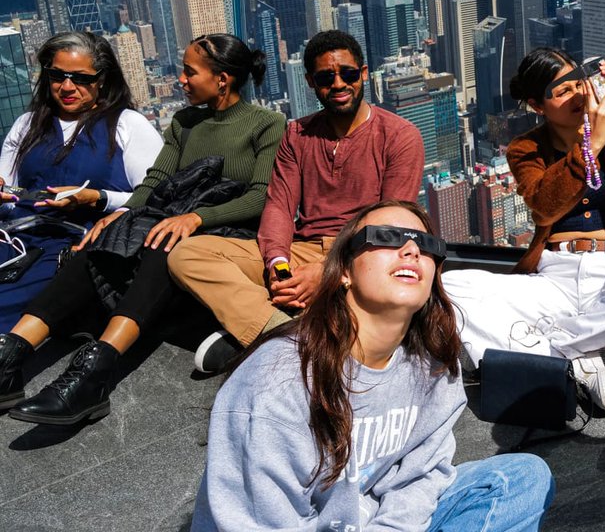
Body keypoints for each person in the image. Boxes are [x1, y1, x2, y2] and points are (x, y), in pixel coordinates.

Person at [190, 199, 555, 532]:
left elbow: (422, 474)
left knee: (523, 478)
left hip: (371, 517)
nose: (411, 250)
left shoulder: (433, 364)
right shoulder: (278, 384)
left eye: (426, 245)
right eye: (387, 237)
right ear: (344, 270)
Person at [0, 33, 284, 425]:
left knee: (164, 245)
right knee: (100, 239)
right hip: (177, 222)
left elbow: (261, 196)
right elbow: (154, 182)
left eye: (189, 72)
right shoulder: (185, 122)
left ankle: (95, 373)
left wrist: (197, 219)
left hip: (229, 233)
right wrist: (119, 213)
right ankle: (12, 355)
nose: (181, 80)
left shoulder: (267, 124)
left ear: (222, 79)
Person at [169, 30, 425, 373]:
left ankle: (263, 324)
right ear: (310, 82)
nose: (338, 84)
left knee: (376, 289)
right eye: (325, 77)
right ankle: (285, 333)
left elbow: (389, 224)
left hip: (364, 254)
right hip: (302, 250)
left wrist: (327, 271)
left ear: (364, 74)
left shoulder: (400, 137)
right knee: (187, 255)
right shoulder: (297, 134)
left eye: (348, 74)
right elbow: (278, 205)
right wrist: (279, 264)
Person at [441, 47, 605, 411]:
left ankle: (556, 352)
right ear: (538, 106)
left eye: (577, 83)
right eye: (561, 91)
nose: (578, 94)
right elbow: (544, 205)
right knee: (451, 287)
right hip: (555, 273)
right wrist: (591, 144)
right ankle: (578, 352)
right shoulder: (526, 148)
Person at [0, 32, 163, 330]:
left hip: (74, 248)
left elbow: (156, 199)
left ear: (102, 79)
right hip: (15, 237)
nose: (67, 86)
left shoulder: (128, 125)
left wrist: (99, 198)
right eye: (57, 75)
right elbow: (7, 192)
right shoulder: (27, 125)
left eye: (81, 78)